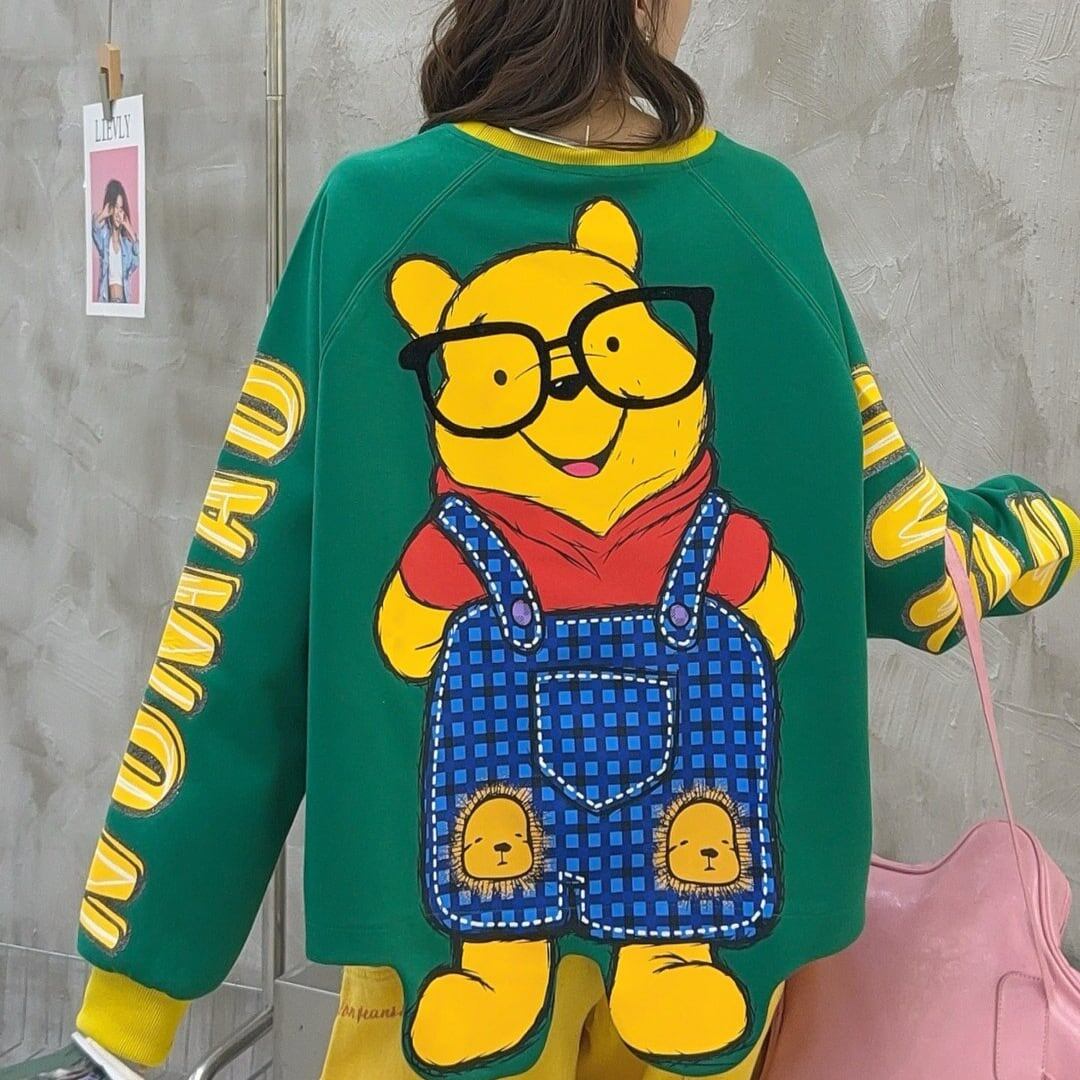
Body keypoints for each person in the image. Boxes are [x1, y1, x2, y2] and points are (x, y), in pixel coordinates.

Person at [7, 1, 1078, 1079]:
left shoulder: (375, 216)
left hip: (438, 968)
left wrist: (126, 1017)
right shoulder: (758, 217)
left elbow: (243, 612)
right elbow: (900, 546)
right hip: (709, 970)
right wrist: (1042, 530)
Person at [90, 179, 139, 304]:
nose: (118, 213)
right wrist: (104, 214)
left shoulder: (127, 245)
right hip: (107, 301)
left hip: (124, 302)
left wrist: (130, 229)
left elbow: (138, 259)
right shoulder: (104, 238)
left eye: (121, 209)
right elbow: (94, 229)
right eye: (116, 207)